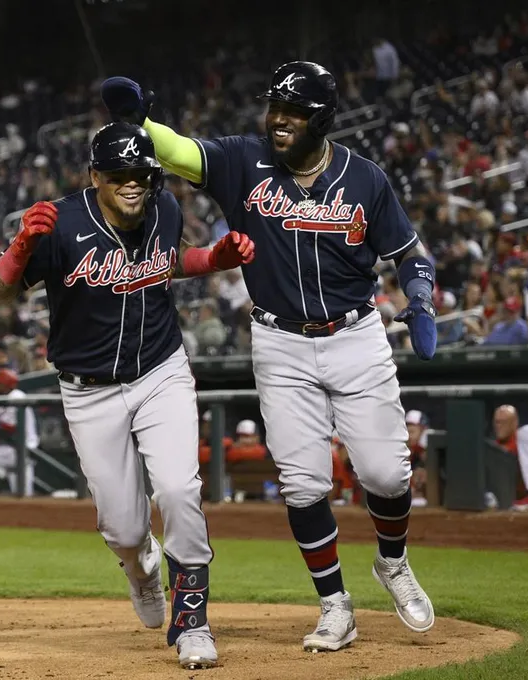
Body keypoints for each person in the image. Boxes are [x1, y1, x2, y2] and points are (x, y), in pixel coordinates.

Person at [102, 61, 437, 652]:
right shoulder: (243, 159)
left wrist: (422, 298)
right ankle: (335, 605)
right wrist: (141, 123)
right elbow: (182, 153)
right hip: (280, 341)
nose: (279, 119)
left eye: (294, 111)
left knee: (386, 473)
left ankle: (393, 561)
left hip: (355, 335)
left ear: (323, 118)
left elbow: (410, 254)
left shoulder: (364, 179)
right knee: (303, 484)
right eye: (275, 108)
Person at [0, 122, 254, 669]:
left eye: (142, 174)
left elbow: (168, 263)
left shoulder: (164, 209)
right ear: (96, 177)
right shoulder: (61, 224)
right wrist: (16, 251)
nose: (132, 184)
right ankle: (140, 570)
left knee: (179, 489)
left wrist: (213, 259)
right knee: (125, 528)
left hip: (160, 371)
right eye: (119, 175)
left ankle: (193, 620)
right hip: (89, 390)